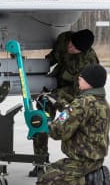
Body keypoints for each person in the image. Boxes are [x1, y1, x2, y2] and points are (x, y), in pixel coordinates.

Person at [34, 64, 110, 185]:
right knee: (51, 170)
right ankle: (95, 173)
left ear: (90, 83)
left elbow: (59, 131)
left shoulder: (82, 104)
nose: (78, 79)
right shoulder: (103, 103)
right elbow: (76, 115)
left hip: (81, 161)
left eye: (82, 78)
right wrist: (60, 104)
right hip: (94, 159)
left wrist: (45, 124)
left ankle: (89, 181)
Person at [31, 29, 100, 176]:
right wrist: (34, 76)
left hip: (72, 90)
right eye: (71, 44)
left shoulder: (89, 62)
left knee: (72, 124)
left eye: (75, 48)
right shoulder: (64, 40)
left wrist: (56, 97)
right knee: (40, 117)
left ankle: (77, 162)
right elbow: (50, 60)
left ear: (82, 50)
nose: (70, 48)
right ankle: (40, 161)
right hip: (54, 83)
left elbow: (79, 91)